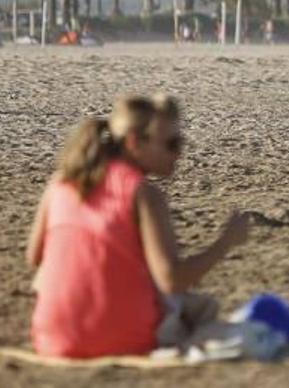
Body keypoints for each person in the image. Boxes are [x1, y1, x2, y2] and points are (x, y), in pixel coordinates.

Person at [26, 94, 251, 358]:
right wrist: (225, 242)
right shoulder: (142, 194)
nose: (179, 153)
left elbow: (34, 258)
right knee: (199, 308)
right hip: (124, 341)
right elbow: (172, 280)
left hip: (52, 339)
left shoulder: (61, 181)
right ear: (134, 142)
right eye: (171, 144)